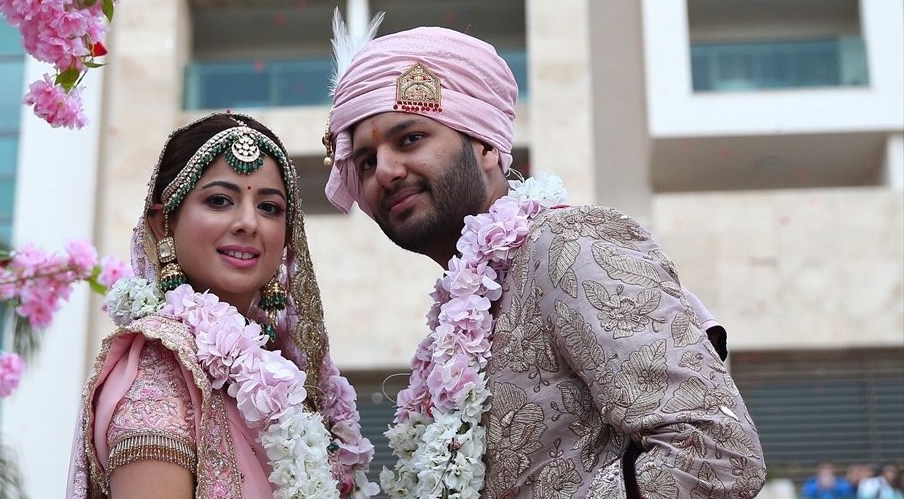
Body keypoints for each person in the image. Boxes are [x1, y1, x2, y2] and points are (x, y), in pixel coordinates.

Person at [321, 12, 766, 498]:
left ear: (485, 145)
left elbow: (714, 453)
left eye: (410, 139)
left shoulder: (567, 244)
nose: (385, 171)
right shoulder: (460, 316)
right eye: (366, 161)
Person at [66, 113, 379, 499]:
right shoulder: (157, 375)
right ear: (163, 224)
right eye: (219, 201)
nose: (249, 222)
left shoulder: (283, 369)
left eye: (269, 207)